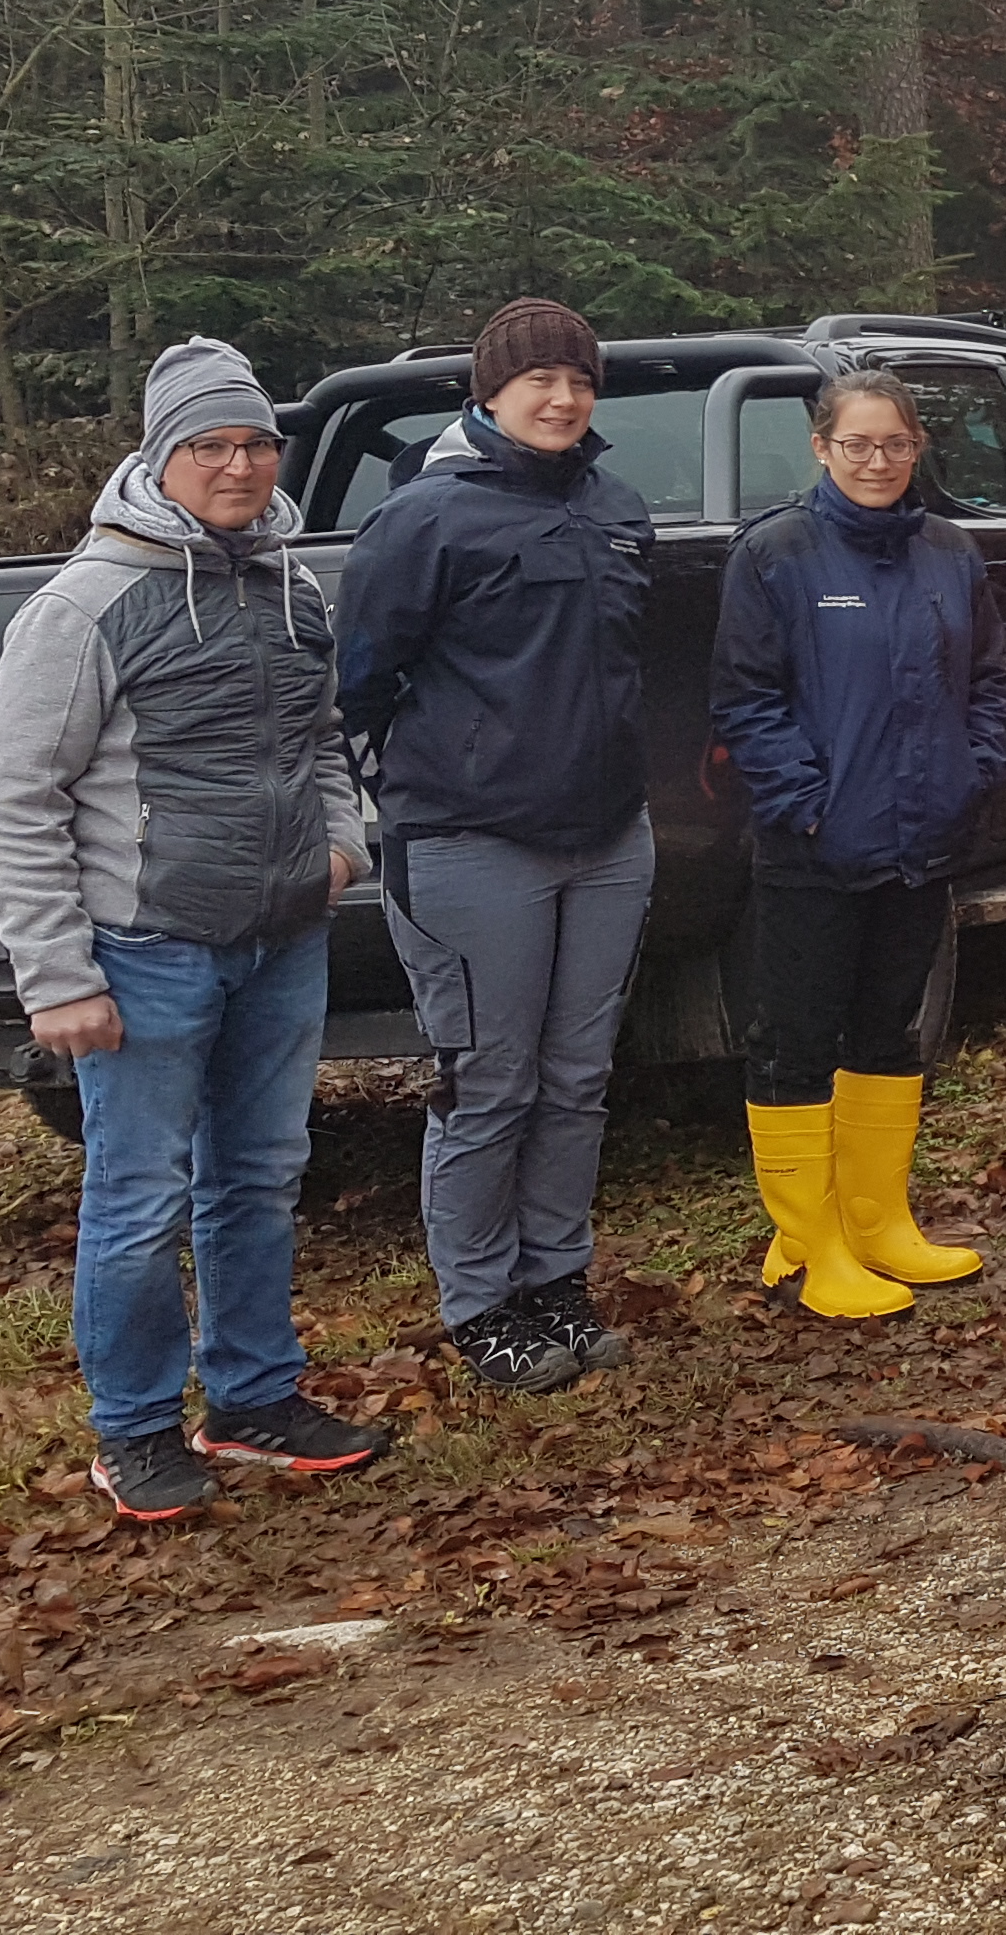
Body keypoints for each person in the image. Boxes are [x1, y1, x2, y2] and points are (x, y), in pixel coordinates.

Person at [0, 338, 396, 1521]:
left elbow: (321, 742)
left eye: (255, 443)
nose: (238, 465)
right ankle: (135, 1430)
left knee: (258, 1180)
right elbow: (18, 800)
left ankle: (255, 1399)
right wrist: (57, 975)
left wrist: (340, 849)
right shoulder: (86, 605)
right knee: (139, 1198)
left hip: (279, 940)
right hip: (145, 949)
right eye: (209, 445)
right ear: (162, 459)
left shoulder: (289, 585)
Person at [337, 298, 657, 1395]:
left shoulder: (615, 506)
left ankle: (556, 1277)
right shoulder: (425, 518)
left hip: (609, 836)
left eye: (578, 379)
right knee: (489, 1082)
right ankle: (482, 1306)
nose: (563, 398)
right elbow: (361, 677)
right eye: (539, 381)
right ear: (488, 392)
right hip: (473, 847)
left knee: (577, 1077)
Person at [709, 369, 1006, 1318]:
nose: (876, 461)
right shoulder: (777, 555)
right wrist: (806, 804)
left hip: (920, 840)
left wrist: (972, 773)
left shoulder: (948, 554)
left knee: (891, 1028)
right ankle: (808, 1247)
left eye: (894, 445)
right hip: (815, 848)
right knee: (795, 1040)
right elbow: (746, 701)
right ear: (821, 448)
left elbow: (991, 682)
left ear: (917, 449)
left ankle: (880, 1222)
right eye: (857, 445)